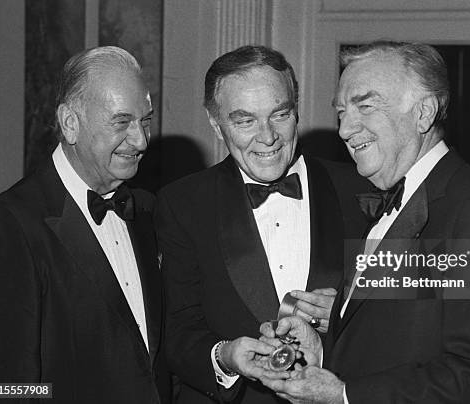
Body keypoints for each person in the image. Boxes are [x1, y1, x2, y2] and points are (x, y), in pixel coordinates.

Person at [258, 40, 470, 403]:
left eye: (366, 106)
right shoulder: (383, 207)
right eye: (341, 112)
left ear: (423, 113)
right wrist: (323, 352)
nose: (344, 129)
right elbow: (397, 343)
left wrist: (345, 395)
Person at [155, 45, 367, 403]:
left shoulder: (362, 189)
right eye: (244, 120)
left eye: (279, 114)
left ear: (296, 110)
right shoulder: (182, 204)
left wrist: (347, 313)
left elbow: (408, 318)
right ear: (215, 123)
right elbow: (176, 330)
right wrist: (225, 356)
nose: (267, 137)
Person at [0, 46, 169, 403]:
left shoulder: (146, 209)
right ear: (70, 123)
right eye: (122, 122)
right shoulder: (9, 223)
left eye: (145, 120)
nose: (141, 140)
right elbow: (5, 386)